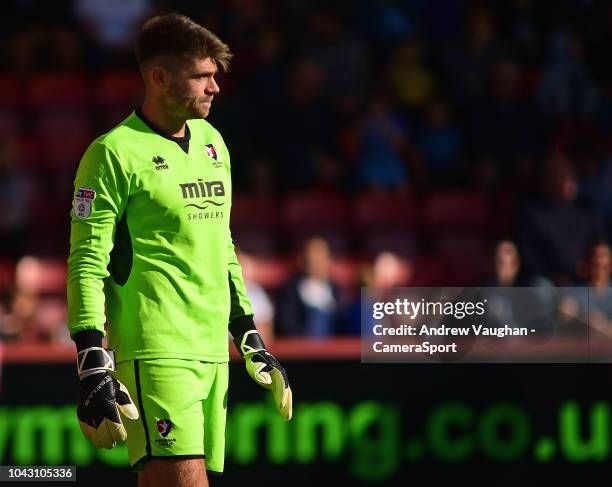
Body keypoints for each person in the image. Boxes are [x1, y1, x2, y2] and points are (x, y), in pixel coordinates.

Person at [66, 14, 292, 487]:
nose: (214, 88)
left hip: (212, 349)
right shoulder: (113, 153)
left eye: (215, 76)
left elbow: (221, 243)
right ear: (159, 76)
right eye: (202, 76)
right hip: (156, 348)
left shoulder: (213, 143)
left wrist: (246, 331)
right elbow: (87, 260)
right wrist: (91, 355)